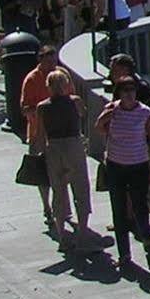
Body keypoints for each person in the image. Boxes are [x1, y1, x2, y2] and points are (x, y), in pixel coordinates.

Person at [94, 71, 150, 272]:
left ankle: (147, 237)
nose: (129, 95)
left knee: (140, 205)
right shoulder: (112, 110)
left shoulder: (145, 113)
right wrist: (106, 117)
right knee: (118, 209)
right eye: (125, 91)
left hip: (139, 165)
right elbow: (99, 127)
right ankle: (124, 254)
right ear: (119, 93)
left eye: (132, 91)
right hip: (116, 165)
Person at [29, 69, 93, 249]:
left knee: (58, 189)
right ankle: (82, 233)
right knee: (80, 188)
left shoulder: (42, 107)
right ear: (66, 85)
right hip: (73, 145)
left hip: (54, 148)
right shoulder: (75, 102)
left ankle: (62, 236)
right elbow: (83, 114)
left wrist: (39, 153)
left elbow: (40, 134)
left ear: (48, 87)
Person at [16, 43, 58, 226]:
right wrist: (42, 109)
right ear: (40, 61)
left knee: (60, 171)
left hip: (59, 132)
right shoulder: (31, 79)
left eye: (54, 62)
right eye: (49, 62)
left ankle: (60, 207)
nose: (52, 66)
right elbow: (25, 108)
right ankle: (46, 207)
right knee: (42, 173)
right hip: (38, 133)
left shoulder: (60, 76)